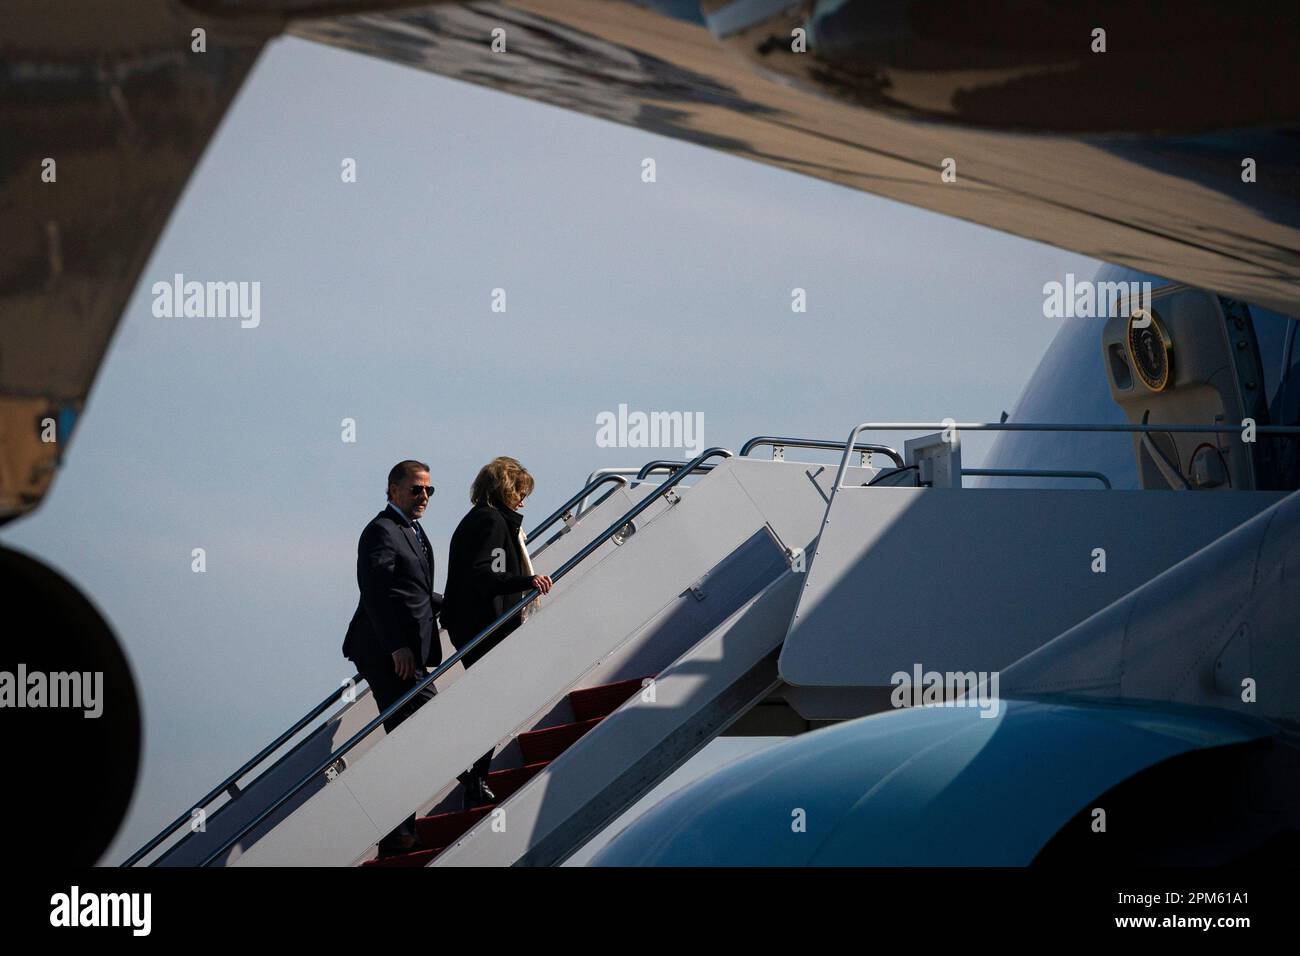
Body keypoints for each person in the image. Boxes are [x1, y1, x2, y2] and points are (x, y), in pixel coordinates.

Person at [342, 459, 442, 856]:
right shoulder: (382, 531)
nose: (424, 497)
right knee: (417, 729)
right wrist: (395, 646)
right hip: (388, 653)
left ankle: (399, 830)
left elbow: (411, 591)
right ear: (393, 490)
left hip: (405, 651)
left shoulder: (411, 531)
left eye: (429, 490)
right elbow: (375, 591)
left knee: (411, 734)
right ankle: (394, 829)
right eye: (416, 489)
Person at [440, 456, 552, 807]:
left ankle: (475, 775)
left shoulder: (485, 520)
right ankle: (470, 772)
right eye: (519, 491)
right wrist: (527, 580)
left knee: (493, 702)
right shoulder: (490, 522)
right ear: (503, 490)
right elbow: (483, 575)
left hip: (478, 625)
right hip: (483, 627)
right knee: (495, 702)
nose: (523, 499)